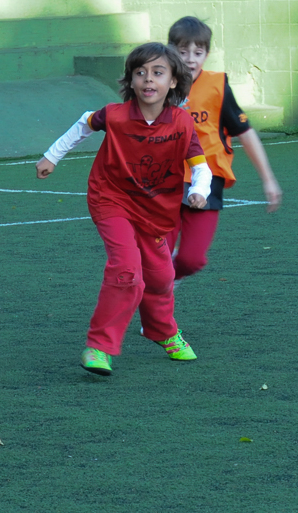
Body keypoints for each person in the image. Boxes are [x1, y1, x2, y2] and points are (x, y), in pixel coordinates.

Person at [36, 43, 212, 376]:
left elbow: (200, 166)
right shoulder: (114, 115)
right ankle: (99, 347)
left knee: (161, 278)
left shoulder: (181, 123)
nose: (148, 79)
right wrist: (51, 156)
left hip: (154, 210)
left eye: (158, 73)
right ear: (130, 80)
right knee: (127, 270)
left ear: (173, 82)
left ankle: (161, 330)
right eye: (140, 72)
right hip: (110, 198)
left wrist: (199, 192)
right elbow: (83, 124)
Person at [166, 16, 282, 280]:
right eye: (182, 52)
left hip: (207, 179)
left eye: (198, 52)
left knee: (190, 260)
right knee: (156, 254)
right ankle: (155, 316)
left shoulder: (217, 86)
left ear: (207, 53)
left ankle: (164, 281)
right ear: (170, 51)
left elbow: (245, 132)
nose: (190, 59)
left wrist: (269, 179)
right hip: (165, 179)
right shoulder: (158, 84)